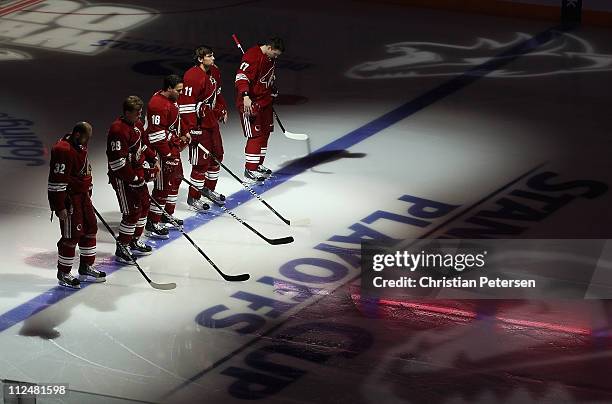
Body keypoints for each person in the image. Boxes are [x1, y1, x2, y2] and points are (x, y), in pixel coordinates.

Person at [48, 122, 104, 289]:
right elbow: (56, 180)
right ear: (78, 134)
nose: (88, 141)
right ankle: (64, 272)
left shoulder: (80, 146)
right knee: (71, 236)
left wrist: (88, 191)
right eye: (86, 137)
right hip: (70, 199)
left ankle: (86, 266)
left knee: (90, 228)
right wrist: (59, 207)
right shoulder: (63, 150)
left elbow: (85, 170)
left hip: (83, 197)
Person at [106, 96, 159, 263]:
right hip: (123, 178)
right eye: (137, 113)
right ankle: (123, 247)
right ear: (127, 112)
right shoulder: (117, 130)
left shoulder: (137, 125)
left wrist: (152, 157)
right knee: (131, 212)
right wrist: (134, 178)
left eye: (141, 112)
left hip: (136, 173)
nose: (140, 115)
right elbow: (117, 162)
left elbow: (141, 145)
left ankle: (134, 240)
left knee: (144, 206)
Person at [180, 45, 228, 209]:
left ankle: (208, 189)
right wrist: (191, 129)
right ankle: (193, 197)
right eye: (209, 56)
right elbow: (185, 106)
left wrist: (222, 109)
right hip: (199, 126)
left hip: (211, 122)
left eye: (213, 55)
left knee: (217, 156)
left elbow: (218, 93)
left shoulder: (215, 71)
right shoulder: (192, 76)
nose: (213, 58)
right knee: (201, 163)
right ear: (200, 59)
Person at [144, 74, 189, 237]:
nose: (181, 93)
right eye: (178, 90)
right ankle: (153, 222)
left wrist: (185, 132)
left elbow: (177, 119)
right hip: (160, 151)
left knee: (176, 179)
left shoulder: (171, 99)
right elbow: (156, 136)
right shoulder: (157, 105)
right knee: (162, 187)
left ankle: (165, 214)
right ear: (169, 88)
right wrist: (169, 156)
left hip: (171, 147)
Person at [235, 37, 284, 183]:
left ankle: (257, 165)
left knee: (265, 133)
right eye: (275, 54)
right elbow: (241, 77)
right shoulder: (252, 56)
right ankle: (250, 169)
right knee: (255, 136)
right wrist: (245, 96)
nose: (275, 57)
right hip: (251, 102)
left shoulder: (269, 58)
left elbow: (266, 77)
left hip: (265, 101)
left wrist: (271, 88)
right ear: (269, 48)